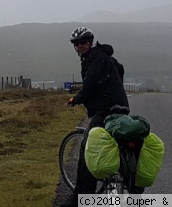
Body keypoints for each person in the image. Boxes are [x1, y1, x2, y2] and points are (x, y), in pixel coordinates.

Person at [61, 27, 130, 207]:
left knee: (87, 150)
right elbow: (120, 69)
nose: (79, 46)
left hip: (107, 110)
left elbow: (90, 84)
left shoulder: (95, 57)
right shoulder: (104, 56)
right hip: (122, 107)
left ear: (90, 42)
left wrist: (76, 99)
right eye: (76, 44)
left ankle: (80, 200)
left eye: (83, 42)